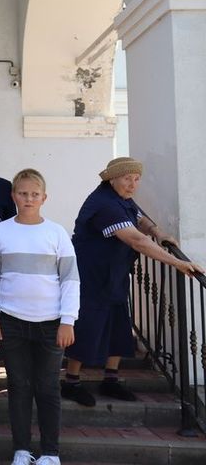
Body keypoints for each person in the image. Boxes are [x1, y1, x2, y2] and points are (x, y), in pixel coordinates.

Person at [61, 157, 203, 407]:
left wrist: (159, 233)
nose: (133, 184)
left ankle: (111, 380)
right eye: (128, 178)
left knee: (118, 326)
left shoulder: (121, 197)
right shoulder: (104, 204)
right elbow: (137, 240)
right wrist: (179, 264)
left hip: (113, 274)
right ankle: (71, 382)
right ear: (112, 178)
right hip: (91, 276)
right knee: (88, 326)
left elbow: (139, 217)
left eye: (136, 179)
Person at [0, 169, 79, 465]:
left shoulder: (56, 233)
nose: (28, 199)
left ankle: (51, 452)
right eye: (22, 193)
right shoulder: (0, 231)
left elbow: (70, 279)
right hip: (11, 321)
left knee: (48, 387)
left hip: (51, 324)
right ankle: (22, 449)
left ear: (44, 198)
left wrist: (68, 320)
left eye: (34, 194)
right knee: (19, 386)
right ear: (13, 196)